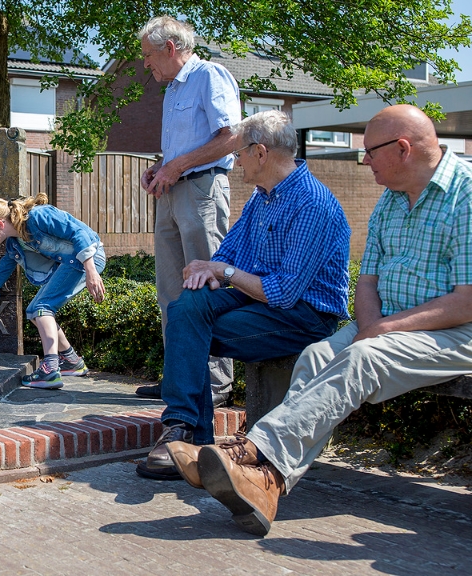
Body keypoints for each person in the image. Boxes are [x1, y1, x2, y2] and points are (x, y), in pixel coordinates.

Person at [166, 104, 472, 536]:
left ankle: (249, 454)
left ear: (403, 149)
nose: (362, 160)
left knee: (362, 358)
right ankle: (260, 481)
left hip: (452, 331)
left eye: (369, 151)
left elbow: (467, 303)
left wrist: (378, 332)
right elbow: (367, 282)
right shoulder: (390, 200)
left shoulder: (466, 197)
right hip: (380, 324)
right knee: (306, 357)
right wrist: (370, 327)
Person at [136, 110, 351, 481]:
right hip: (257, 299)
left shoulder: (313, 204)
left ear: (261, 153)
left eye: (240, 153)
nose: (234, 162)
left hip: (304, 316)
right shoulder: (262, 198)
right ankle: (185, 429)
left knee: (190, 331)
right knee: (186, 305)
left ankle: (188, 436)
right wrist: (206, 269)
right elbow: (227, 255)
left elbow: (282, 292)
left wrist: (224, 272)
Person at [135, 16, 241, 408]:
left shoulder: (210, 76)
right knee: (172, 292)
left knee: (207, 286)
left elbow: (230, 137)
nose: (147, 64)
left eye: (149, 55)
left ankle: (214, 387)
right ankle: (179, 381)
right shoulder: (172, 90)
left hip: (201, 190)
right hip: (172, 192)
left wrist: (176, 167)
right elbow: (186, 145)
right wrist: (163, 164)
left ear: (171, 48)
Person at [0, 193, 106, 389]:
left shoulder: (38, 216)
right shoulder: (14, 244)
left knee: (42, 308)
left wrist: (91, 271)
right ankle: (72, 361)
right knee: (35, 312)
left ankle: (50, 370)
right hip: (73, 264)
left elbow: (78, 233)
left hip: (88, 259)